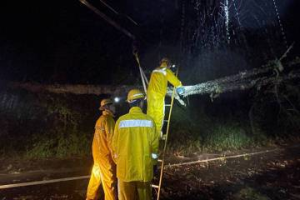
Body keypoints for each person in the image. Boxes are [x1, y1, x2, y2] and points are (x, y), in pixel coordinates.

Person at [112, 89, 159, 200]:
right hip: (144, 169)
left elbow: (114, 146)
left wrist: (119, 162)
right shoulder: (149, 121)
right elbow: (154, 148)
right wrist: (154, 163)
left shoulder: (120, 121)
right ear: (141, 102)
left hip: (125, 170)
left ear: (129, 103)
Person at [86, 99, 117, 200]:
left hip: (98, 156)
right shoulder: (109, 120)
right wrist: (116, 158)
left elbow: (96, 140)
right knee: (109, 183)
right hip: (105, 157)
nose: (115, 107)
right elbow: (112, 141)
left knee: (95, 179)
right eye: (113, 106)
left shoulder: (100, 120)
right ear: (108, 107)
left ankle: (89, 198)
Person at [147, 58, 185, 138]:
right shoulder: (166, 71)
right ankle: (156, 136)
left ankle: (148, 134)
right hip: (158, 96)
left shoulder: (155, 70)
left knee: (150, 115)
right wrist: (181, 90)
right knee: (159, 115)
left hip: (150, 96)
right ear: (168, 64)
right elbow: (175, 81)